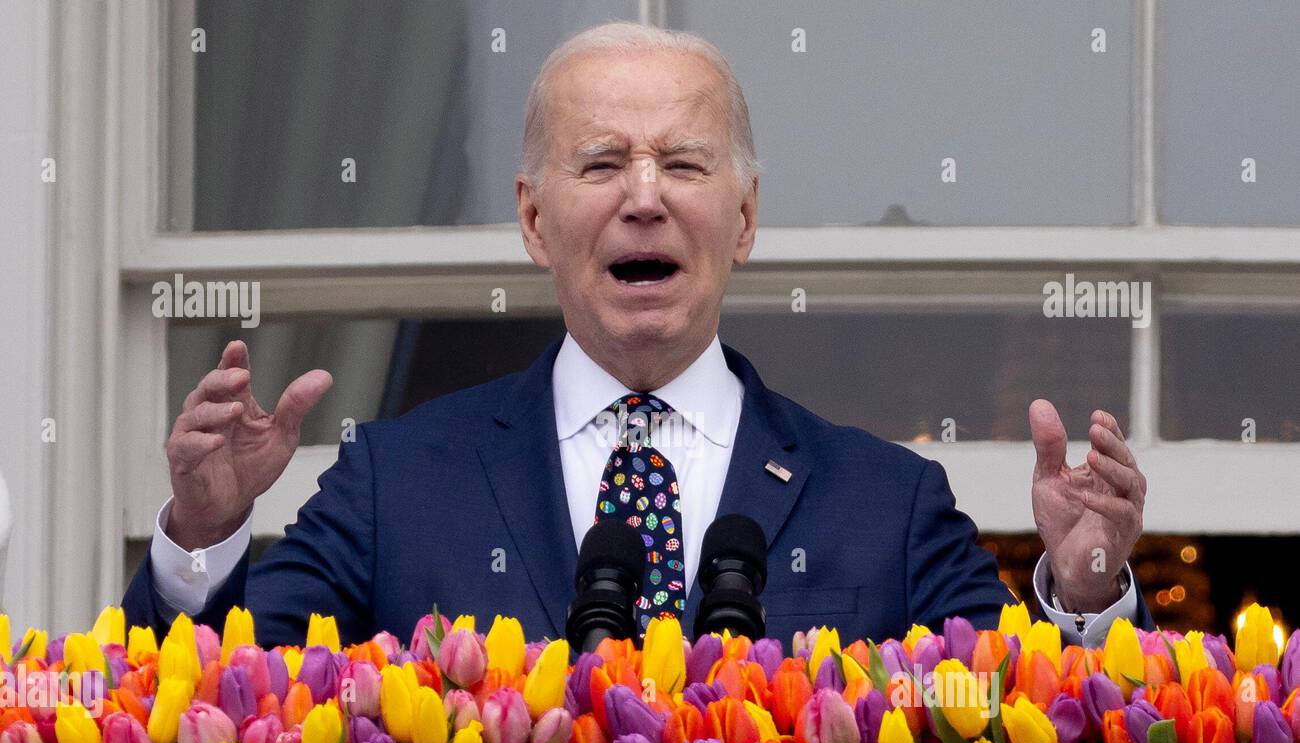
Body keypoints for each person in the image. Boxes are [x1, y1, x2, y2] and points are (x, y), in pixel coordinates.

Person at [123, 22, 1152, 650]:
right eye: (603, 161)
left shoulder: (886, 504)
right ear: (533, 219)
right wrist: (203, 536)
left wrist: (1087, 589)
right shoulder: (396, 483)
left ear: (744, 219)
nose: (646, 199)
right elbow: (224, 718)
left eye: (687, 164)